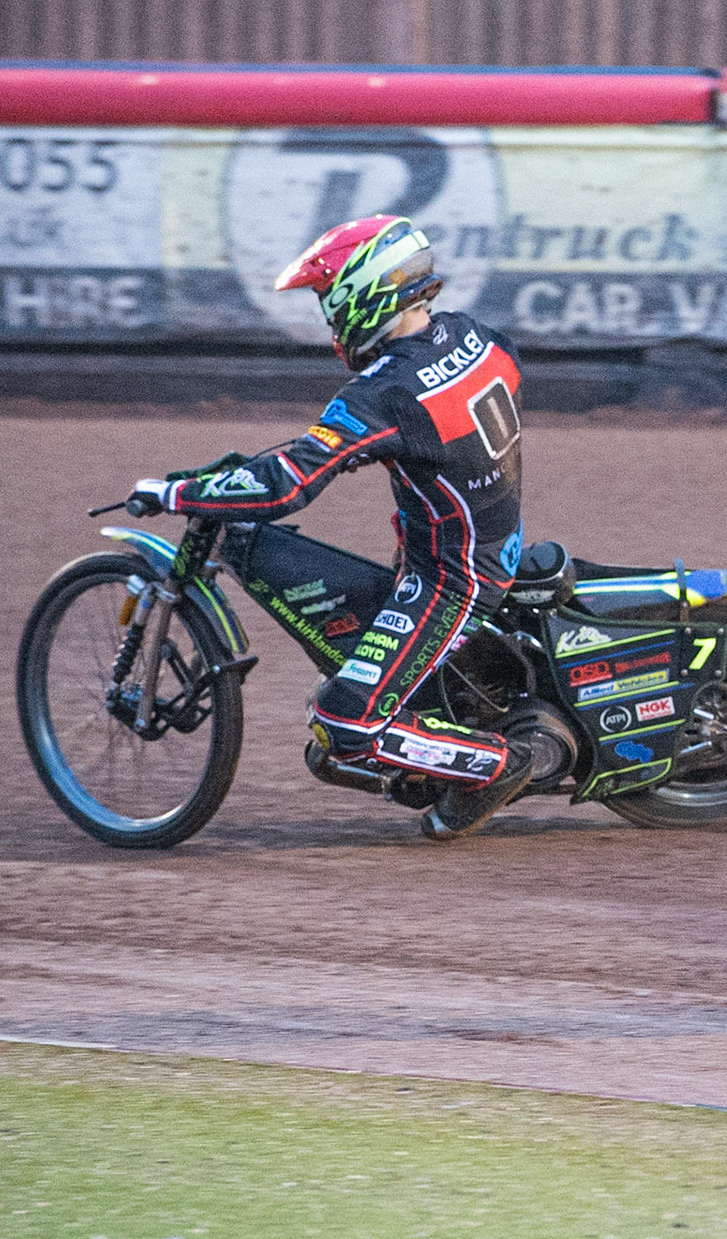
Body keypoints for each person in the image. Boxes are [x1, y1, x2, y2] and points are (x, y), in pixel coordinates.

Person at [123, 215, 532, 840]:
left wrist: (177, 491)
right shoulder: (476, 337)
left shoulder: (384, 392)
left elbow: (287, 485)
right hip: (486, 541)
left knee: (344, 724)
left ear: (361, 293)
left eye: (325, 297)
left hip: (452, 580)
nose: (326, 314)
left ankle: (500, 767)